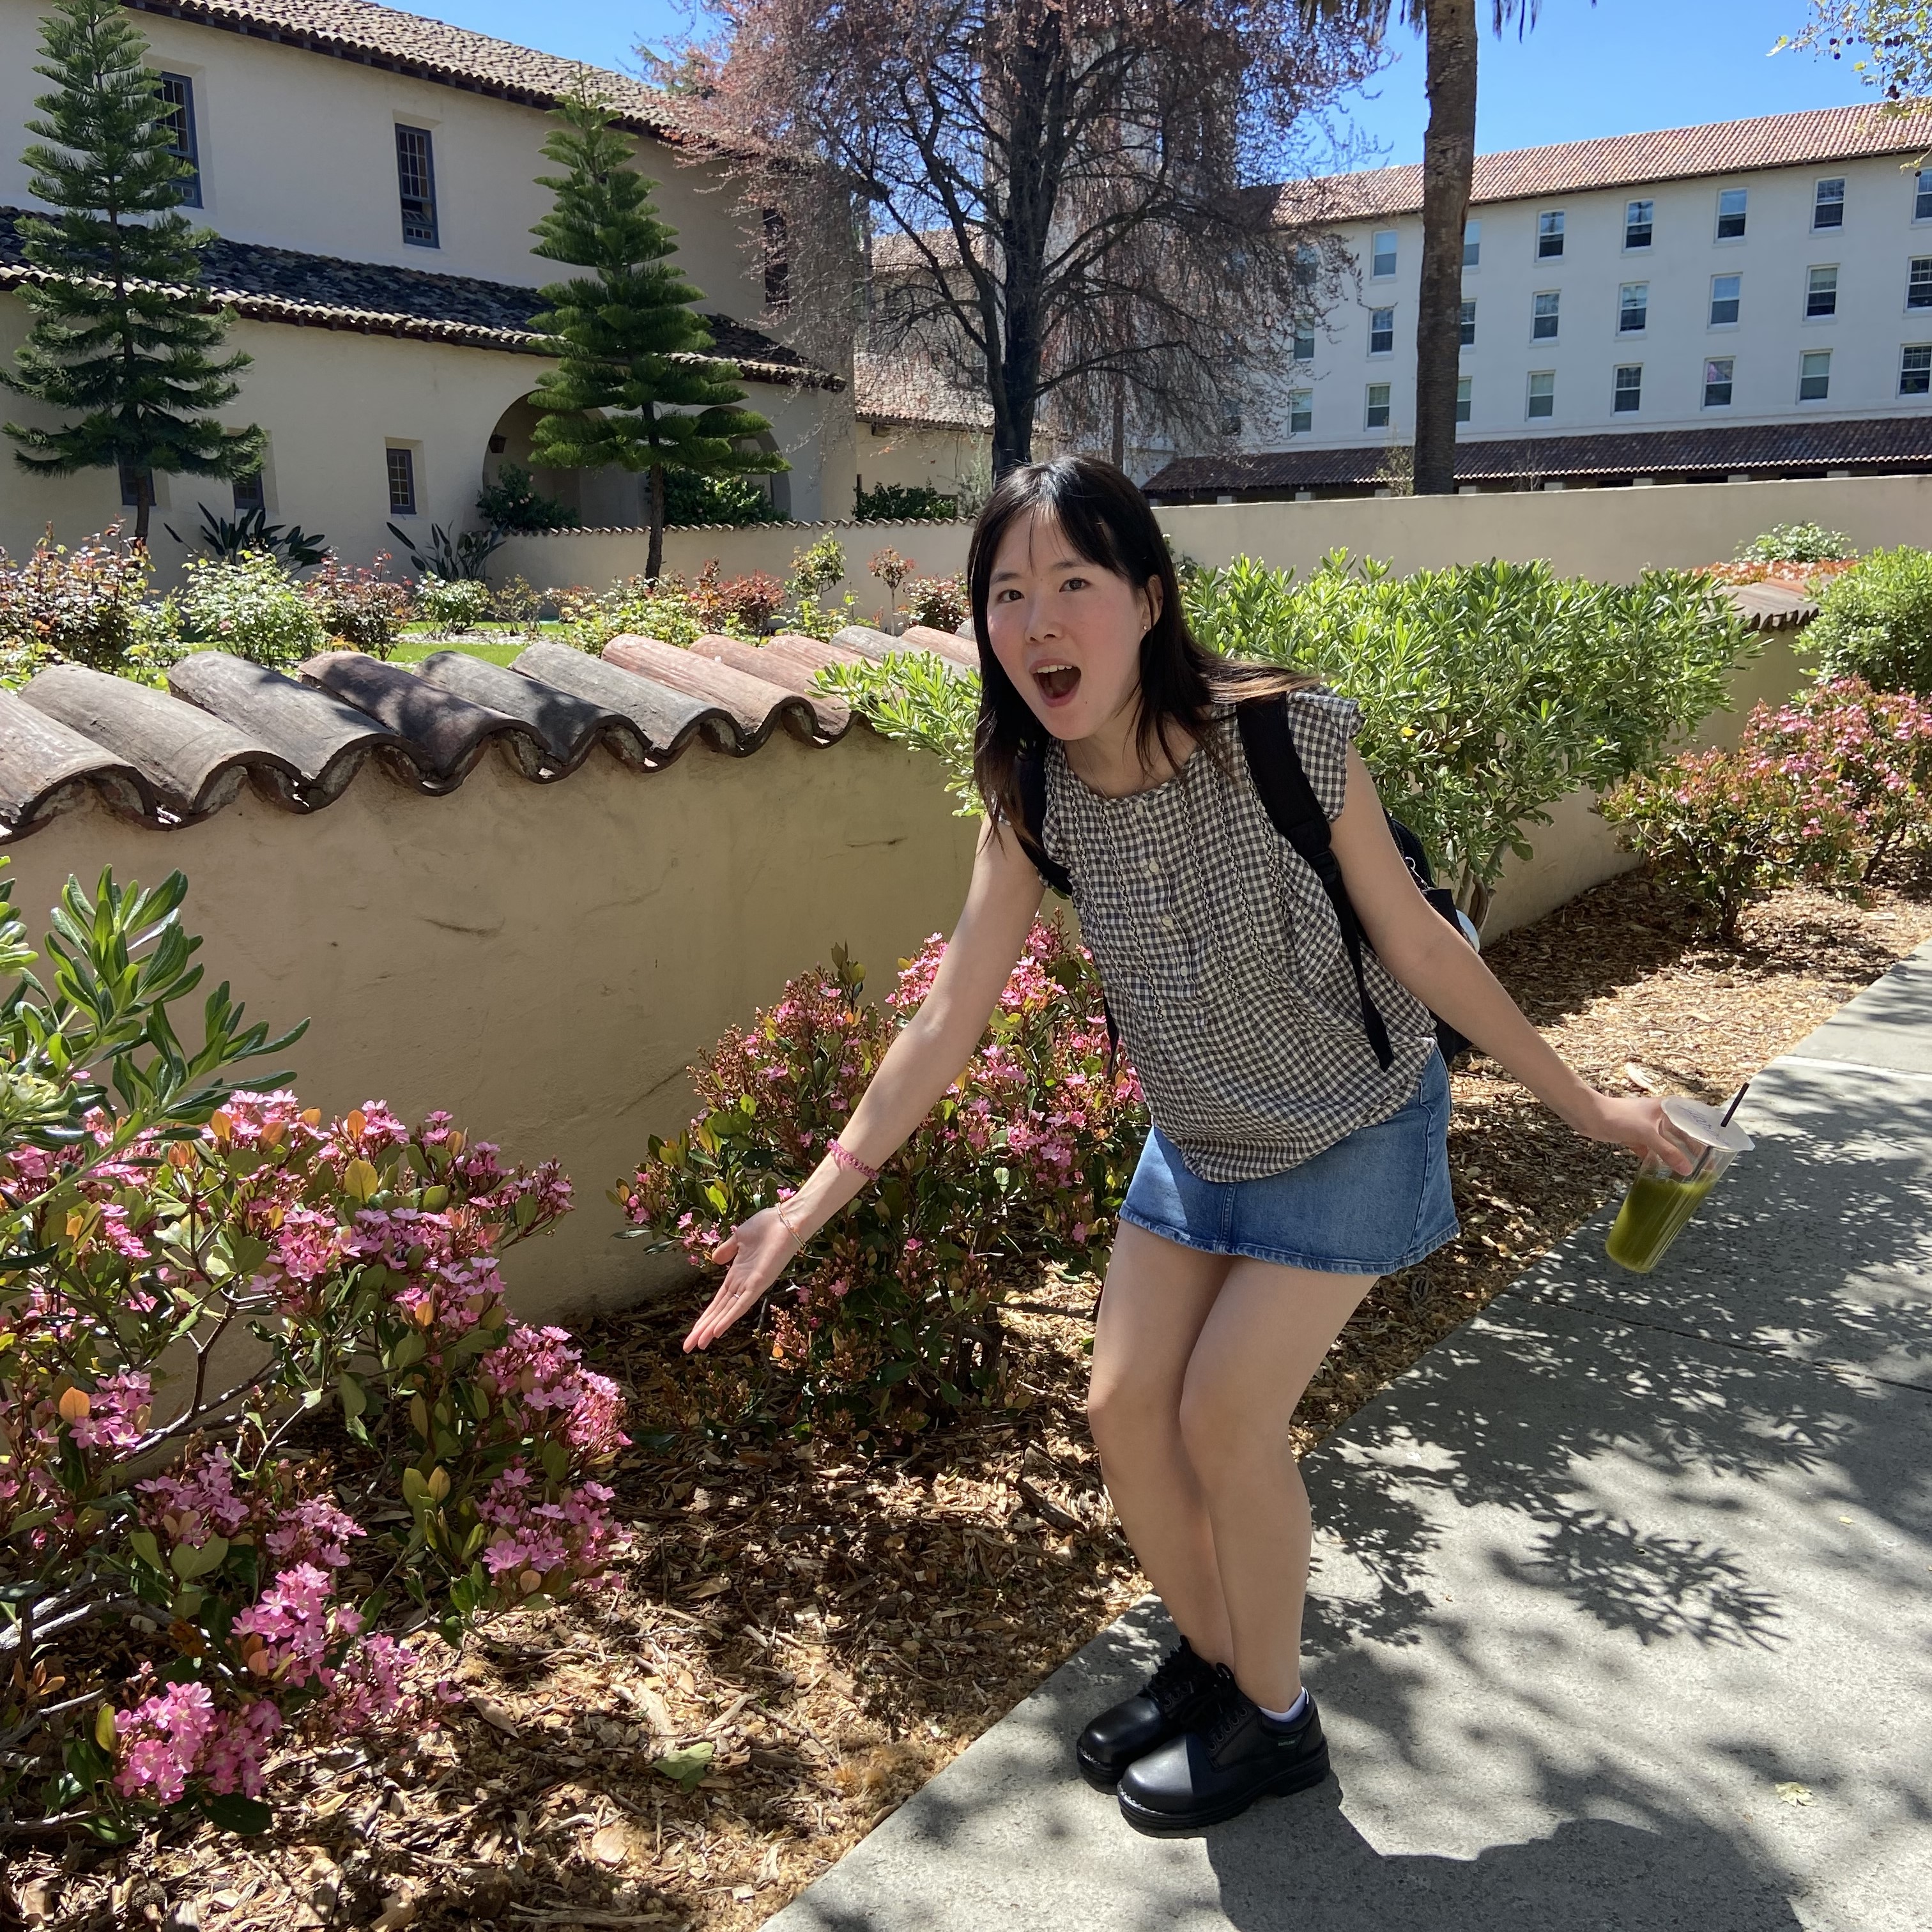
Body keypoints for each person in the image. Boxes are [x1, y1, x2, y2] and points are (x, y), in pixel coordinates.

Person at [682, 455, 1692, 1834]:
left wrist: (1588, 1110)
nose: (1039, 621)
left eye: (1075, 583)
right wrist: (802, 1211)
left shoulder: (1287, 738)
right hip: (1202, 1133)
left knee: (1224, 1417)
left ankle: (1276, 1725)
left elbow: (1417, 945)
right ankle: (1220, 1666)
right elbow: (947, 1015)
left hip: (1352, 1121)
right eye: (1007, 593)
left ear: (1150, 599)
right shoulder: (1034, 791)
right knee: (1122, 1410)